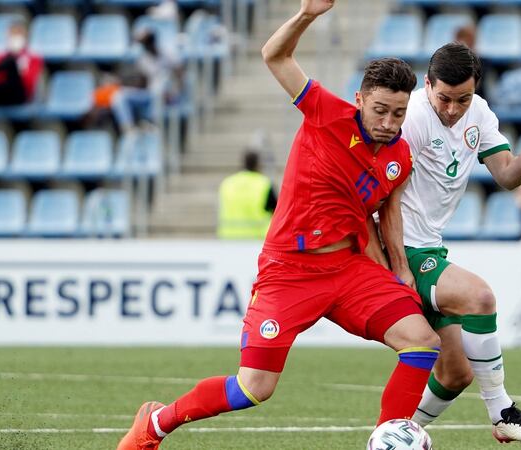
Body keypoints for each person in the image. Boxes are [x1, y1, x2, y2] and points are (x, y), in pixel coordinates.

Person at [116, 1, 441, 449]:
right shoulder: (326, 112)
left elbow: (387, 211)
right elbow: (275, 56)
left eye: (399, 114)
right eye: (380, 110)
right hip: (289, 270)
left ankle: (388, 442)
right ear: (360, 99)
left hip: (348, 270)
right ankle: (154, 426)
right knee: (253, 388)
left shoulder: (399, 156)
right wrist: (307, 16)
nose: (389, 123)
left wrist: (400, 269)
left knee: (422, 342)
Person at [377, 42, 521, 444]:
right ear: (427, 85)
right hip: (402, 247)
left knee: (455, 373)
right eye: (444, 98)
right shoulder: (415, 119)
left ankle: (398, 438)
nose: (453, 109)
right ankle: (502, 411)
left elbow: (507, 176)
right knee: (480, 298)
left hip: (429, 245)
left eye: (463, 98)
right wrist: (400, 266)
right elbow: (388, 198)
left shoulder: (480, 113)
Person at [110, 29, 183, 133]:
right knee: (119, 96)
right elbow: (143, 83)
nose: (145, 47)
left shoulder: (168, 53)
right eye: (143, 44)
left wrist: (175, 92)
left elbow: (180, 75)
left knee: (163, 82)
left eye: (146, 43)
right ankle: (128, 128)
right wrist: (126, 82)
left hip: (170, 95)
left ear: (153, 42)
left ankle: (151, 124)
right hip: (151, 95)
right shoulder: (143, 59)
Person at [0, 21, 43, 135]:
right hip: (1, 94)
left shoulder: (33, 58)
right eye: (12, 35)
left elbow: (29, 82)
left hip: (20, 94)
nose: (15, 38)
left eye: (18, 34)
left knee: (10, 64)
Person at [217, 151, 277, 239]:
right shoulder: (264, 183)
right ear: (258, 164)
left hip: (229, 239)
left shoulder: (227, 183)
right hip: (257, 239)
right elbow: (276, 212)